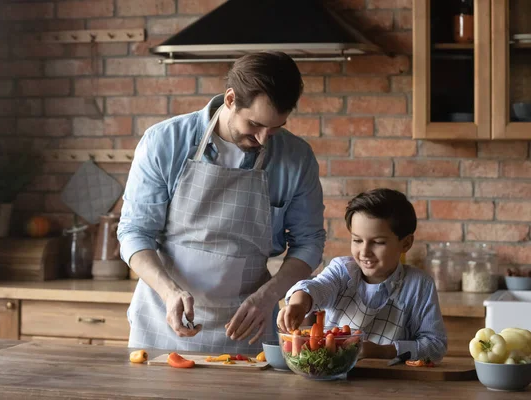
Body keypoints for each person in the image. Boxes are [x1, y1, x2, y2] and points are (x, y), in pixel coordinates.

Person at [118, 52, 326, 354]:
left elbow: (309, 243)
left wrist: (269, 295)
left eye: (276, 127)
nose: (264, 138)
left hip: (248, 325)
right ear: (231, 99)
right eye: (254, 124)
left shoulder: (296, 157)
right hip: (163, 317)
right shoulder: (164, 141)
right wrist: (169, 291)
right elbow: (134, 232)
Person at [277, 188, 447, 362]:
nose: (364, 252)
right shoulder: (342, 271)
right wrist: (299, 303)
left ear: (406, 244)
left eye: (378, 242)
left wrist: (383, 351)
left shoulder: (419, 285)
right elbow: (317, 287)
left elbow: (435, 346)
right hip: (335, 377)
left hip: (394, 383)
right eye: (357, 240)